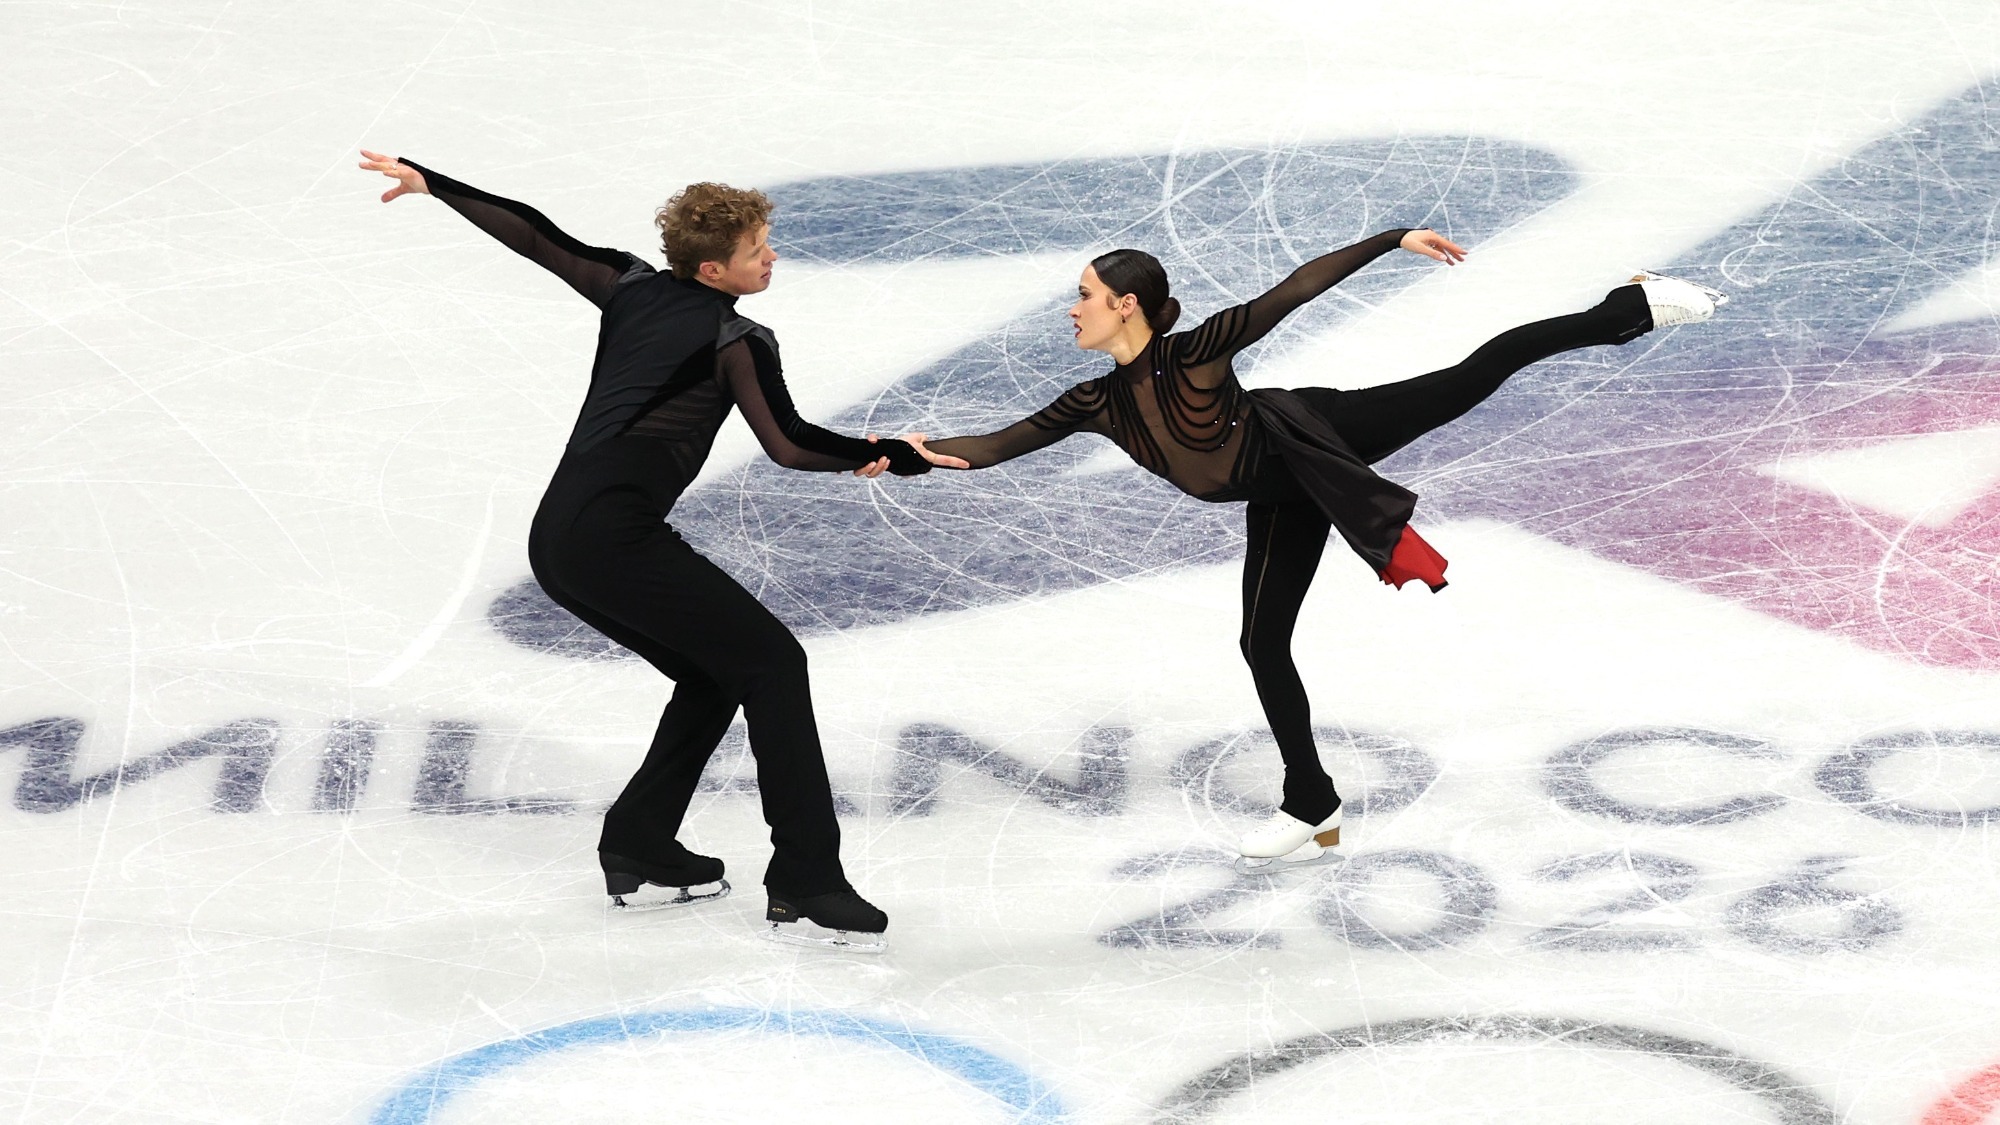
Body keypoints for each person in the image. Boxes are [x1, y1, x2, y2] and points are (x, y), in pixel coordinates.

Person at [911, 230, 1724, 873]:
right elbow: (991, 445)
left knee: (1477, 371)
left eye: (1083, 296)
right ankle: (1312, 800)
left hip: (1315, 438)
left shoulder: (1194, 353)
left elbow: (1295, 290)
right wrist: (888, 451)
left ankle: (1627, 310)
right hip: (1276, 491)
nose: (1072, 309)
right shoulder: (1095, 401)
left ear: (1127, 305)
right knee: (1261, 641)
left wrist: (1391, 239)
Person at [358, 150, 962, 950]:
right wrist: (894, 453)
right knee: (775, 664)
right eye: (757, 251)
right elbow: (787, 444)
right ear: (714, 268)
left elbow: (538, 238)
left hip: (561, 537)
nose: (772, 257)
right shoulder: (735, 338)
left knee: (716, 677)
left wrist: (437, 184)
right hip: (614, 539)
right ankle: (807, 878)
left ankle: (641, 843)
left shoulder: (630, 285)